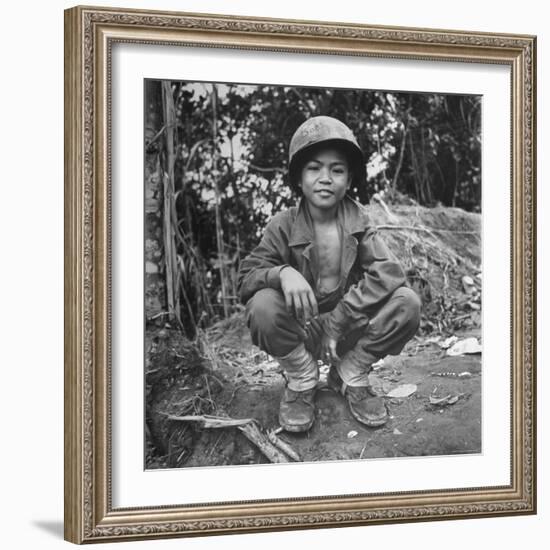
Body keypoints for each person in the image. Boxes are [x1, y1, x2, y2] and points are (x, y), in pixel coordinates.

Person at [238, 116, 421, 433]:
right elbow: (246, 278)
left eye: (337, 170)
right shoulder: (283, 224)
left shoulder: (360, 222)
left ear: (349, 179)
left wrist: (342, 317)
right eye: (313, 168)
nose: (325, 178)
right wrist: (282, 273)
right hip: (302, 329)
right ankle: (302, 376)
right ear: (298, 177)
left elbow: (389, 273)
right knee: (263, 305)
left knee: (407, 303)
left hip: (347, 329)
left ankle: (351, 372)